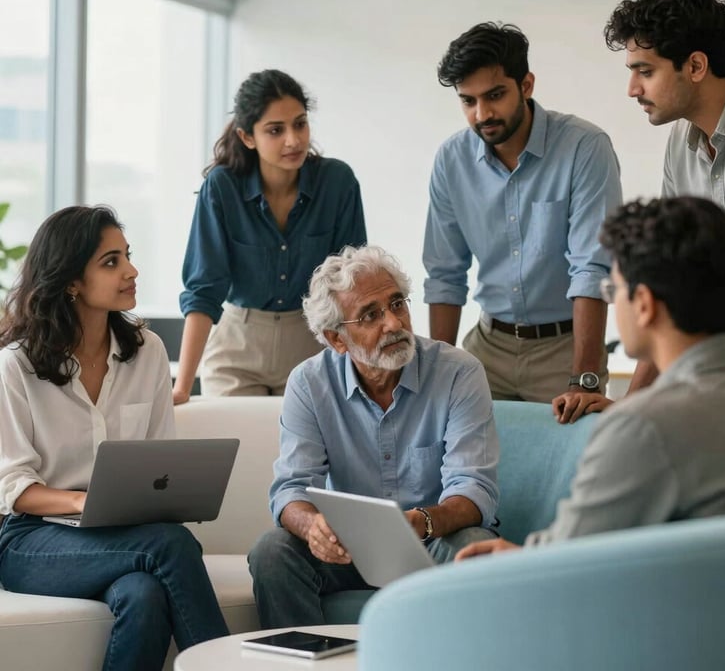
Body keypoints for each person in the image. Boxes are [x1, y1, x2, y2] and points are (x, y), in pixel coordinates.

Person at [457, 196, 725, 559]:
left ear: (644, 304)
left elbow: (563, 563)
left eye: (613, 289)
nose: (612, 302)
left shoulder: (644, 428)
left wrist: (505, 559)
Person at [0, 206, 228, 671]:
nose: (131, 271)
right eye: (111, 262)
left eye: (127, 256)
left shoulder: (147, 353)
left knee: (142, 596)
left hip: (121, 534)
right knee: (171, 544)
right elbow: (15, 490)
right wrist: (86, 501)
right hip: (31, 541)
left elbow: (162, 464)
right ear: (70, 282)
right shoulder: (15, 367)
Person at [248, 245, 499, 628]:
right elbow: (291, 490)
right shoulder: (309, 384)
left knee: (476, 546)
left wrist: (418, 523)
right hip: (348, 550)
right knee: (272, 551)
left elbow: (474, 491)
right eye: (370, 315)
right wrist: (314, 528)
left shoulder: (458, 372)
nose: (394, 323)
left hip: (433, 539)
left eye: (397, 304)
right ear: (336, 339)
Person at [565, 0, 725, 422]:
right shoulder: (682, 140)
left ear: (695, 65)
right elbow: (671, 277)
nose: (632, 89)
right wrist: (629, 412)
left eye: (645, 71)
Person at [424, 21, 622, 411]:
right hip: (486, 347)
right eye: (468, 101)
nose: (482, 114)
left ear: (526, 85)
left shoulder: (585, 147)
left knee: (568, 470)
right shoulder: (452, 159)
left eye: (495, 95)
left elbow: (591, 270)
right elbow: (445, 274)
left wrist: (582, 378)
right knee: (467, 468)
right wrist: (437, 371)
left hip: (564, 350)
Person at [174, 69, 367, 403]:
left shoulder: (338, 182)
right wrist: (182, 387)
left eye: (300, 123)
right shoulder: (222, 188)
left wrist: (366, 373)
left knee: (306, 455)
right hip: (237, 348)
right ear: (248, 137)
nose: (293, 140)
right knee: (239, 452)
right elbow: (203, 289)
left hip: (312, 347)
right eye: (275, 130)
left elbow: (352, 284)